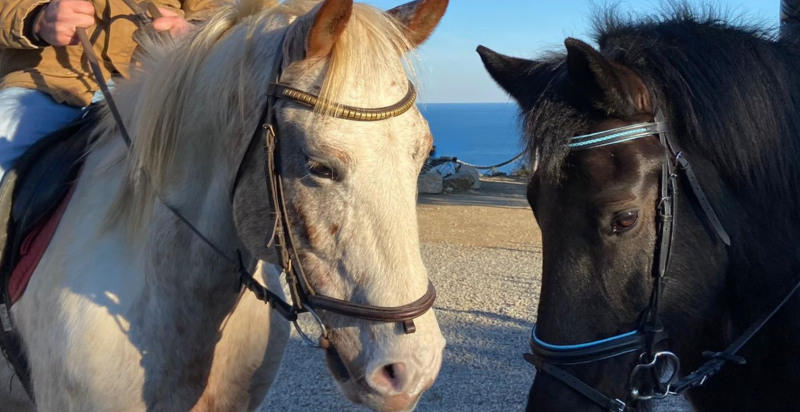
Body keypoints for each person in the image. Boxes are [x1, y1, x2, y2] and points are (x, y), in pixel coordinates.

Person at [0, 0, 224, 178]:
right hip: (48, 85)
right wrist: (36, 19)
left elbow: (215, 13)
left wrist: (194, 34)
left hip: (156, 88)